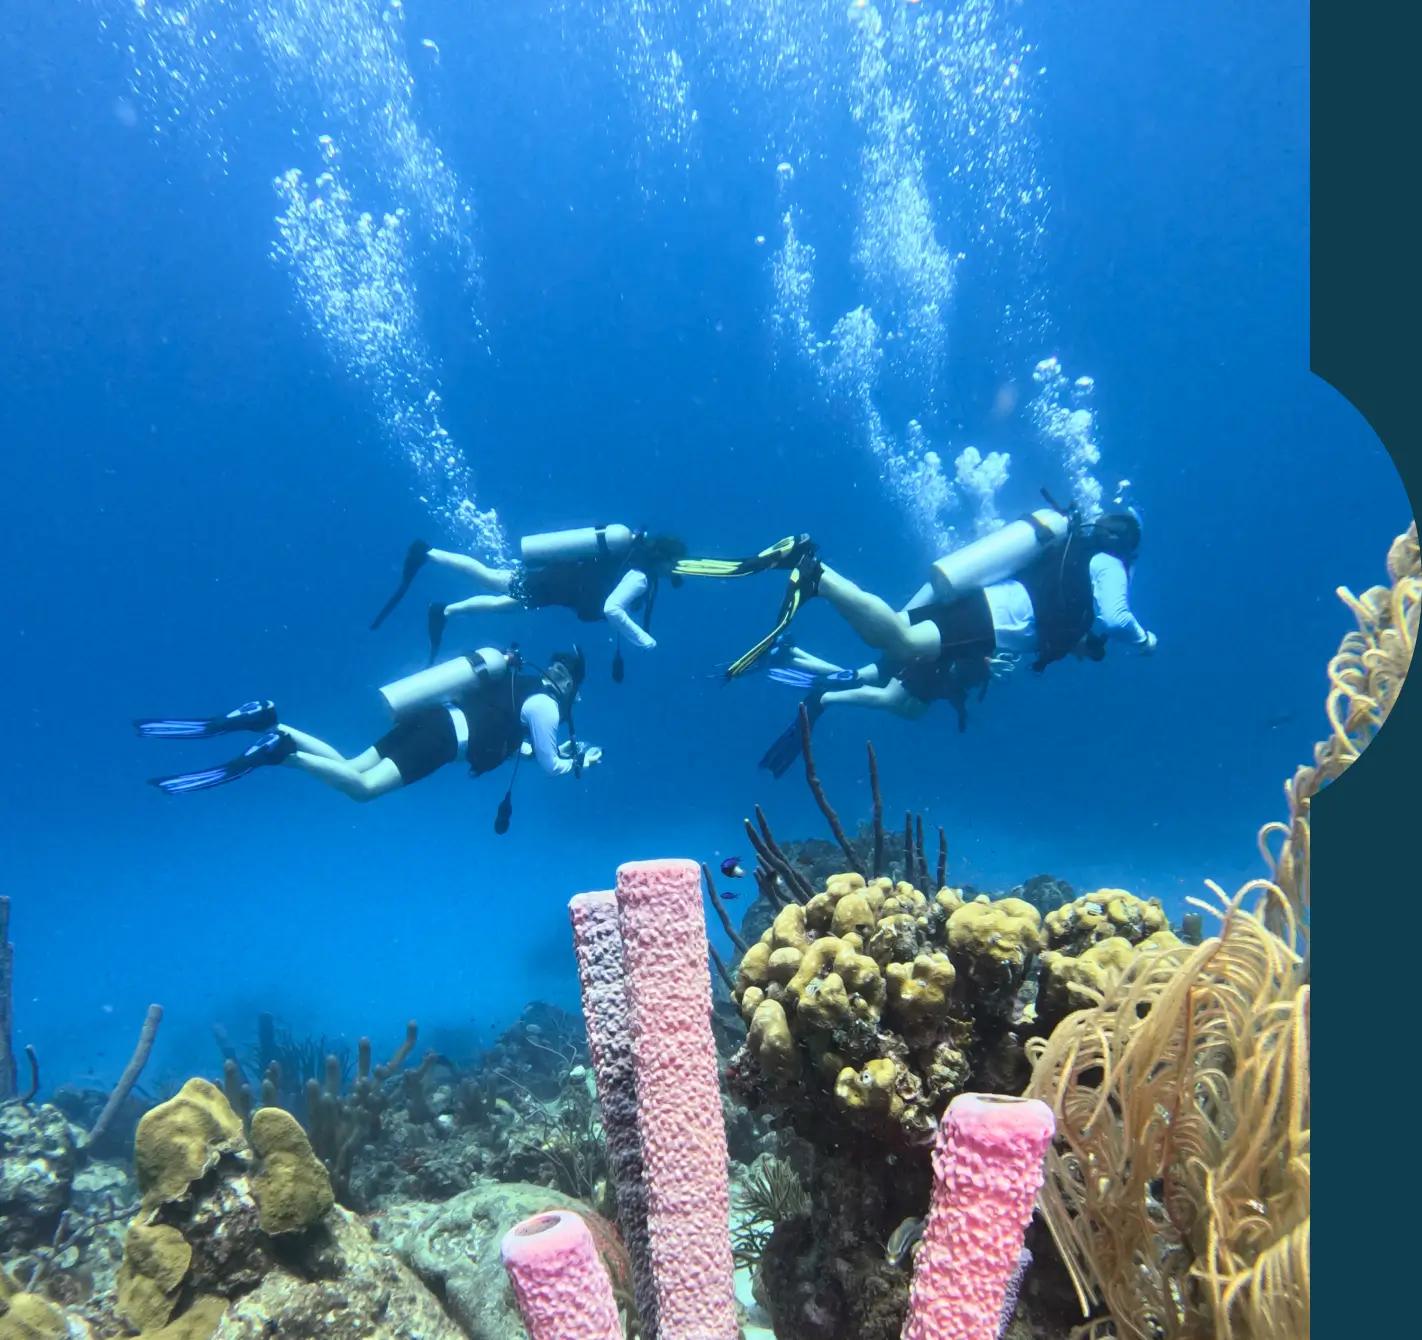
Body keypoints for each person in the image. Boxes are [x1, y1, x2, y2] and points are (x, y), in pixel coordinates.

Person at [750, 508, 1157, 774]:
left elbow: (1071, 622)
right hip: (994, 618)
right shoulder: (1107, 564)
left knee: (895, 648)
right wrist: (1145, 640)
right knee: (902, 645)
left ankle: (814, 585)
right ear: (1127, 548)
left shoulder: (1078, 563)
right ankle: (817, 575)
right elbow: (1116, 617)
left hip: (987, 611)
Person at [135, 647, 601, 828]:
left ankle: (272, 722)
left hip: (431, 719)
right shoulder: (547, 705)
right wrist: (581, 761)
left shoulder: (519, 681)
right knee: (362, 790)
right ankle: (280, 753)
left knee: (351, 763)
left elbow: (507, 733)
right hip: (442, 744)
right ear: (571, 685)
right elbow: (550, 765)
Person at [370, 525, 690, 674]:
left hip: (557, 584)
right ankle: (427, 552)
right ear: (664, 560)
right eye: (674, 566)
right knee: (492, 578)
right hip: (553, 585)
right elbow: (612, 608)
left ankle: (445, 612)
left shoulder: (634, 556)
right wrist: (645, 640)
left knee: (505, 605)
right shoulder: (640, 575)